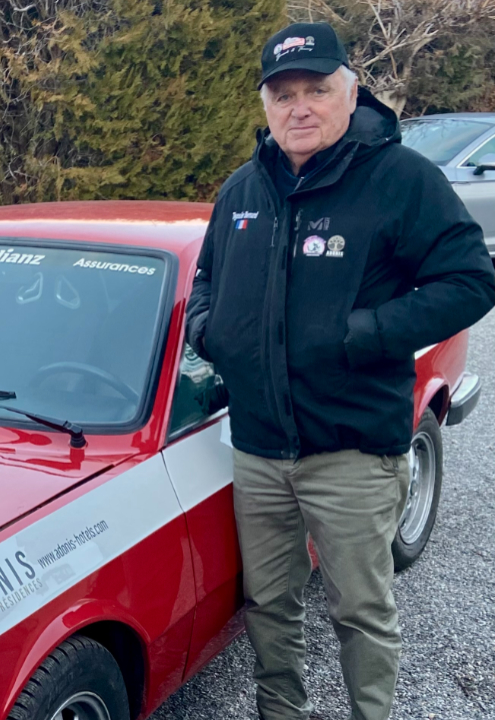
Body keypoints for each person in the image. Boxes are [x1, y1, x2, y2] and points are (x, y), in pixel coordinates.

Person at [185, 22, 495, 720]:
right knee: (270, 605)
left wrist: (364, 333)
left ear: (350, 93)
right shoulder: (242, 191)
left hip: (352, 450)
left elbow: (471, 280)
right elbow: (206, 279)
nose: (299, 107)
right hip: (261, 449)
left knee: (359, 609)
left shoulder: (400, 179)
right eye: (282, 93)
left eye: (316, 90)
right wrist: (212, 332)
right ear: (264, 103)